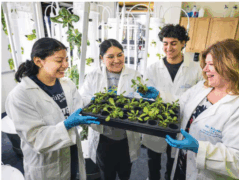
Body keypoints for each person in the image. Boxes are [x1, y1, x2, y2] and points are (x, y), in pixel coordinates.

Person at [165, 39, 239, 180]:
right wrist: (160, 96)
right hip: (183, 167)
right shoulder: (203, 87)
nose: (204, 69)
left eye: (211, 65)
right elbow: (181, 104)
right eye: (205, 64)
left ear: (231, 67)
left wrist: (200, 149)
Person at [5, 37, 100, 180]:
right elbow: (36, 139)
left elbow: (77, 105)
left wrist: (95, 101)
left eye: (66, 59)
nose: (66, 64)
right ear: (38, 61)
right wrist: (66, 124)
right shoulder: (20, 95)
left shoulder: (66, 84)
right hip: (47, 164)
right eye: (59, 60)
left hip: (71, 152)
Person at [138, 24, 203, 180]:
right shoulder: (152, 69)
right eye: (165, 43)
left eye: (173, 43)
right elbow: (145, 98)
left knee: (174, 161)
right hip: (156, 122)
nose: (169, 47)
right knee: (153, 159)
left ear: (183, 43)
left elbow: (198, 98)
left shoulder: (196, 70)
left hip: (181, 122)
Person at [79, 39, 142, 180]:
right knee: (107, 173)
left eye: (120, 55)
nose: (117, 60)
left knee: (125, 172)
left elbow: (141, 100)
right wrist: (102, 104)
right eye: (110, 57)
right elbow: (83, 98)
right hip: (103, 136)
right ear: (102, 58)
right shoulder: (93, 75)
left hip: (126, 137)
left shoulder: (134, 75)